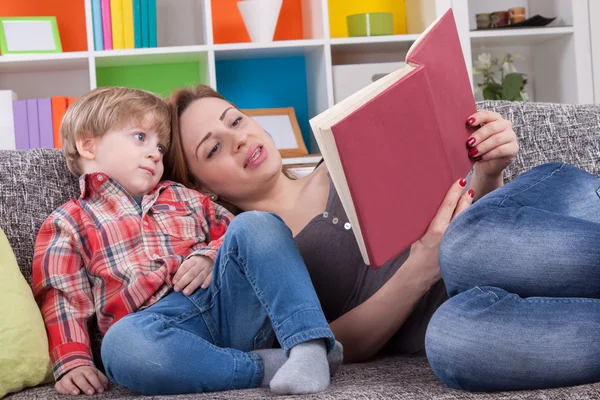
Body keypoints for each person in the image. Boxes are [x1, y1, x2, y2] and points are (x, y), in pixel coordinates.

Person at [163, 85, 517, 363]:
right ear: (200, 187)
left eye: (236, 120)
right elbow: (331, 346)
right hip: (468, 319)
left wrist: (489, 172)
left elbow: (474, 219)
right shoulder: (254, 254)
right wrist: (421, 268)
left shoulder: (342, 160)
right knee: (462, 346)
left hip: (505, 248)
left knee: (555, 187)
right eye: (213, 149)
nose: (238, 139)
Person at [32, 86, 342, 397]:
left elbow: (234, 237)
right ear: (88, 144)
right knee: (120, 345)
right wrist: (74, 362)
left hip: (223, 302)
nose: (155, 152)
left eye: (161, 147)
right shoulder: (68, 222)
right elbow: (62, 299)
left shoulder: (186, 197)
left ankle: (308, 345)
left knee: (256, 224)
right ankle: (267, 366)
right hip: (158, 327)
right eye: (140, 137)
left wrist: (208, 255)